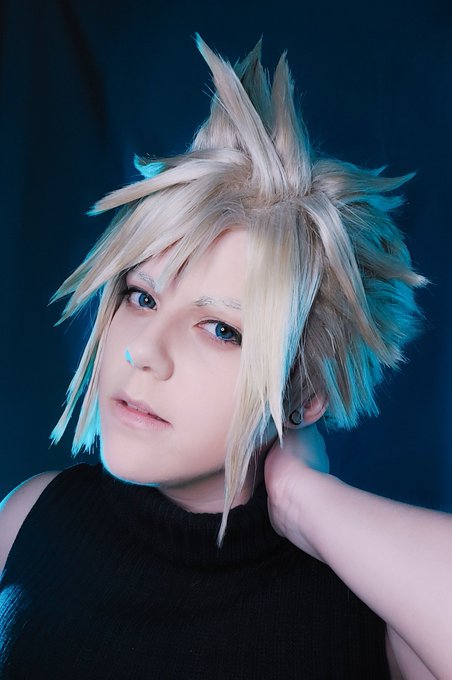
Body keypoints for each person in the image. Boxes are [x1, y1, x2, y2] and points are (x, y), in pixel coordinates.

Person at [0, 33, 450, 679]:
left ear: (305, 395)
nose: (143, 351)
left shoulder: (373, 609)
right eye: (142, 297)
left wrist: (303, 498)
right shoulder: (29, 517)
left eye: (220, 329)